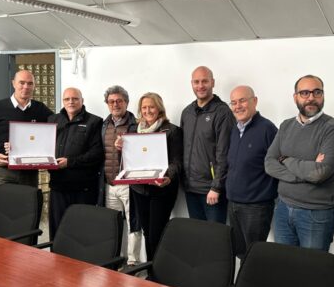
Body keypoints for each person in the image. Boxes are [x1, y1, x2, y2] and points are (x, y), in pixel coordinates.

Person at [265, 75, 334, 251]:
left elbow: (319, 173)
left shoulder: (333, 129)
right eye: (304, 93)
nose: (311, 98)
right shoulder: (286, 126)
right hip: (283, 209)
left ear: (323, 95)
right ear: (295, 97)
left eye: (317, 92)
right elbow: (269, 163)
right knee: (284, 265)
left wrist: (285, 159)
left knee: (311, 272)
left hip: (316, 215)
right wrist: (304, 172)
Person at [118, 92, 182, 260]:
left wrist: (168, 176)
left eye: (151, 107)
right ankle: (150, 269)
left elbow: (177, 161)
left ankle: (159, 273)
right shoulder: (133, 129)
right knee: (146, 231)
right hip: (139, 189)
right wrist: (121, 148)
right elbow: (129, 159)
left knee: (157, 233)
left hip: (162, 189)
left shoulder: (172, 130)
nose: (147, 111)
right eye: (144, 107)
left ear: (159, 108)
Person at [0, 70, 53, 189]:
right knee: (4, 206)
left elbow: (54, 130)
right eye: (21, 83)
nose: (26, 87)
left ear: (34, 86)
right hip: (3, 172)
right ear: (13, 83)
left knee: (29, 206)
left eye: (30, 83)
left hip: (30, 172)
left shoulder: (40, 108)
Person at [226, 86, 278, 260]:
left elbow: (279, 165)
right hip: (234, 203)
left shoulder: (268, 129)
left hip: (256, 206)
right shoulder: (235, 129)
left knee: (255, 256)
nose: (237, 106)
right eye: (233, 102)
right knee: (240, 253)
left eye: (242, 100)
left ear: (254, 101)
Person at [180, 66, 235, 223]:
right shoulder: (187, 112)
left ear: (213, 83)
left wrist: (216, 187)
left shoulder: (222, 112)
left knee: (215, 238)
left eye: (205, 81)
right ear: (191, 84)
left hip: (211, 190)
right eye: (196, 82)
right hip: (191, 188)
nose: (200, 86)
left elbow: (224, 152)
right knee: (198, 236)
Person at [47, 88, 103, 240]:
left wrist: (70, 162)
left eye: (75, 98)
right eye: (67, 99)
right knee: (57, 231)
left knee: (81, 231)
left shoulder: (94, 122)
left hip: (83, 188)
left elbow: (96, 154)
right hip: (58, 186)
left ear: (82, 101)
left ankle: (81, 264)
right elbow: (43, 146)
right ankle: (56, 262)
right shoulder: (52, 120)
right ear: (63, 101)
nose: (71, 102)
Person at [99, 85, 143, 265]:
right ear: (107, 104)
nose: (115, 104)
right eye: (111, 101)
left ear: (126, 102)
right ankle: (115, 259)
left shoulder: (137, 125)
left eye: (119, 101)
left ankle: (133, 263)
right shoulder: (104, 124)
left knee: (134, 225)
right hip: (109, 184)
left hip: (128, 184)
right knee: (112, 224)